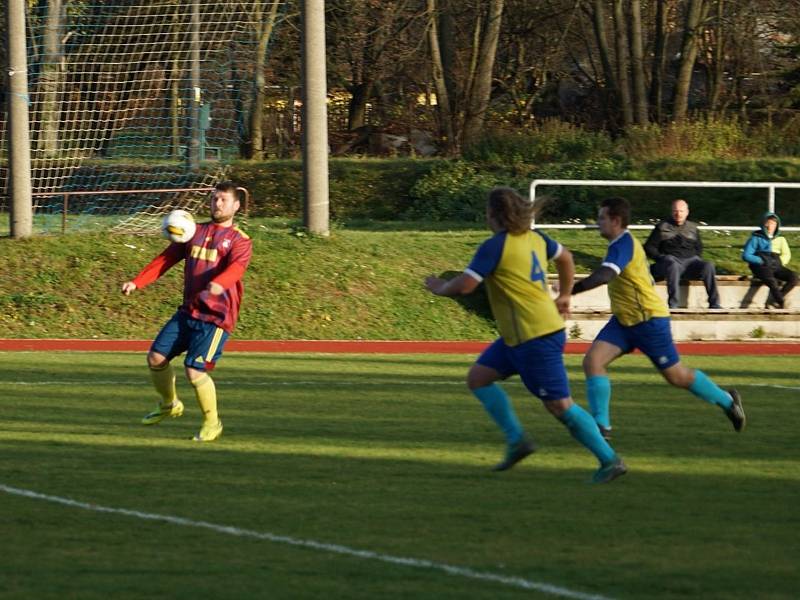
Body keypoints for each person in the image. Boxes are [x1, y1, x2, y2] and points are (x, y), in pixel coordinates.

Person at [424, 187, 626, 484]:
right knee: (478, 378)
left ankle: (610, 460)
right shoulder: (536, 238)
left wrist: (439, 287)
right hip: (518, 336)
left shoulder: (495, 246)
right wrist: (565, 294)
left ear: (493, 214)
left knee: (560, 406)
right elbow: (566, 257)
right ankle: (517, 441)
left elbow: (467, 285)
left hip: (536, 336)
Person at [572, 196, 745, 440]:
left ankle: (727, 401)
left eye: (602, 218)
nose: (598, 222)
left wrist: (570, 290)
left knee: (676, 376)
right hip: (624, 320)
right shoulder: (618, 245)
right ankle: (602, 427)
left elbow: (604, 275)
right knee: (592, 362)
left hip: (648, 319)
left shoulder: (623, 244)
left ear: (616, 220)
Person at [121, 181, 253, 442]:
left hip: (216, 316)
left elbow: (238, 268)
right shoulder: (193, 231)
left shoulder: (240, 240)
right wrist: (137, 281)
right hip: (189, 311)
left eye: (223, 200)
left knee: (195, 371)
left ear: (236, 205)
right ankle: (169, 404)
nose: (217, 204)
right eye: (214, 198)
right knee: (156, 358)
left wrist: (220, 283)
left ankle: (212, 423)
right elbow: (166, 258)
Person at [644, 199, 722, 309]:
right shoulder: (662, 227)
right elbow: (649, 247)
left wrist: (696, 259)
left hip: (690, 262)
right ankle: (673, 304)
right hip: (669, 263)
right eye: (675, 211)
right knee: (672, 264)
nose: (678, 214)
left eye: (681, 211)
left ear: (687, 212)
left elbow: (698, 247)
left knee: (708, 265)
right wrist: (661, 257)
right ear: (671, 212)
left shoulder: (693, 228)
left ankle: (715, 303)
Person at [742, 211, 798, 309]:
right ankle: (781, 302)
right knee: (771, 281)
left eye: (773, 224)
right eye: (768, 223)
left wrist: (779, 262)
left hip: (776, 264)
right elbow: (746, 255)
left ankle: (777, 298)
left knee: (793, 277)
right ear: (763, 224)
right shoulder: (755, 238)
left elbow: (786, 254)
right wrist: (760, 260)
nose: (770, 226)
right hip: (761, 266)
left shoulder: (781, 239)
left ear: (777, 225)